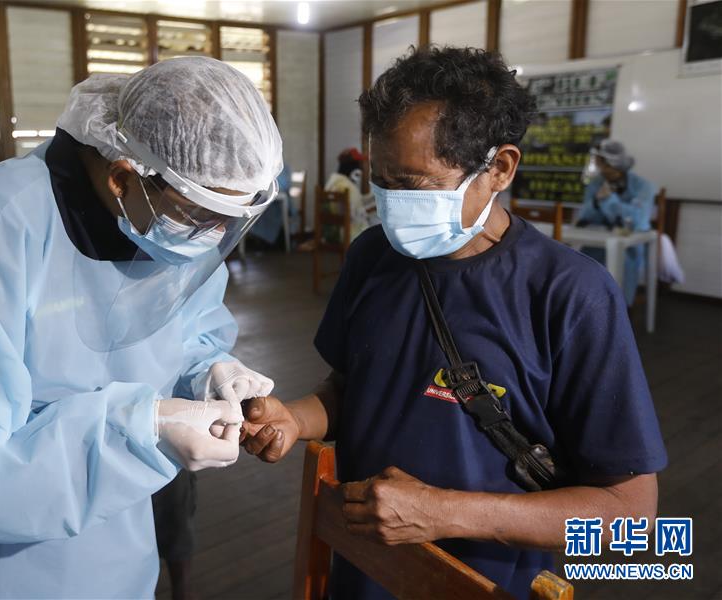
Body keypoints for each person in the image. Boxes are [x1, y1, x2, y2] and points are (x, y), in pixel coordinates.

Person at [240, 46, 666, 600]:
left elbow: (633, 519)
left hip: (487, 581)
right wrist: (296, 419)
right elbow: (355, 388)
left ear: (500, 169)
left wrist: (445, 514)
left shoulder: (570, 296)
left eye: (413, 184)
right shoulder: (373, 256)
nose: (391, 203)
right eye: (381, 180)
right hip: (361, 571)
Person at [0, 57, 281, 599]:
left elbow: (183, 334)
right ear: (121, 177)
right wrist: (139, 430)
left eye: (230, 220)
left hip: (120, 541)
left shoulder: (165, 223)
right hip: (2, 568)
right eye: (201, 215)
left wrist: (206, 371)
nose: (213, 236)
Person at [577, 139, 657, 306]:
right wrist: (596, 202)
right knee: (583, 266)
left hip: (629, 245)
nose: (599, 167)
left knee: (622, 274)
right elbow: (586, 215)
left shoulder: (643, 186)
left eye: (601, 162)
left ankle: (620, 310)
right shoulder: (596, 183)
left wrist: (608, 200)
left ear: (612, 163)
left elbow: (638, 220)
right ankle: (586, 307)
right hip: (598, 242)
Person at [324, 147, 373, 241]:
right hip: (349, 234)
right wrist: (373, 208)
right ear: (353, 167)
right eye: (359, 165)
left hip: (332, 232)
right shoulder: (348, 187)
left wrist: (372, 197)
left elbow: (354, 203)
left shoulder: (333, 181)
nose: (361, 169)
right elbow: (356, 215)